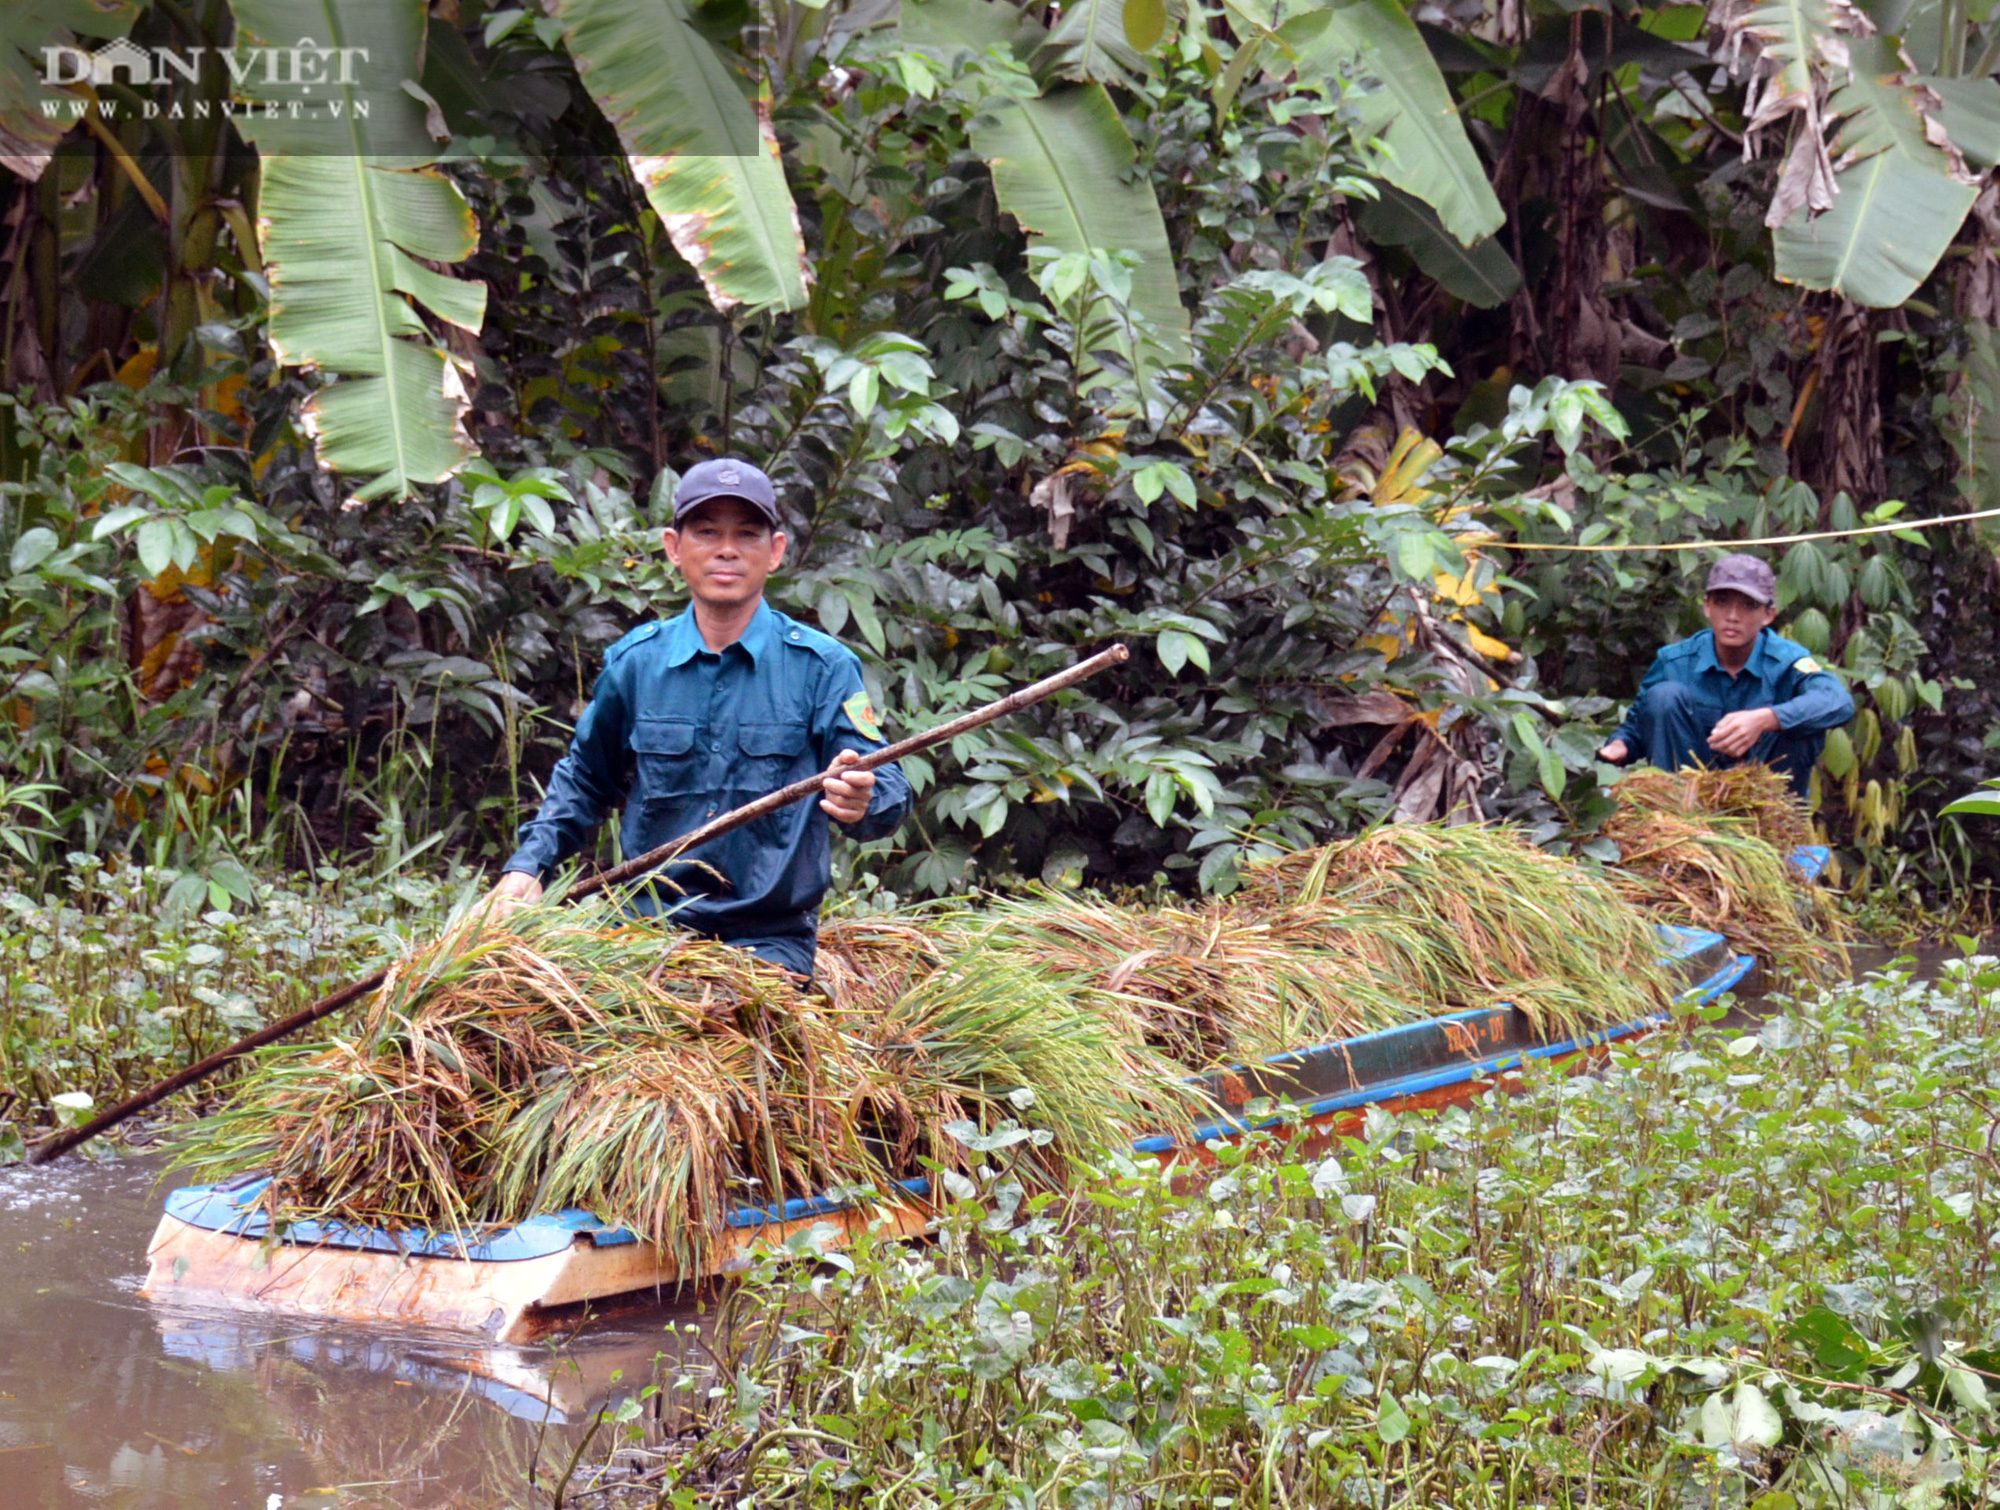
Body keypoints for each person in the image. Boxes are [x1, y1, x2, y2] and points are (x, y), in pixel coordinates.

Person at [484, 459, 912, 977]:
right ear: (673, 547)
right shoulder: (636, 664)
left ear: (775, 551)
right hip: (642, 937)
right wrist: (527, 868)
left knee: (735, 1032)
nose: (726, 550)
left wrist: (863, 797)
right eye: (707, 532)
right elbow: (584, 781)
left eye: (747, 534)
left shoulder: (822, 668)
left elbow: (884, 785)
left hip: (768, 943)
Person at [1598, 553, 1854, 796]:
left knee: (1805, 721)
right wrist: (1619, 746)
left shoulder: (1788, 661)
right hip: (1688, 795)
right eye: (1722, 603)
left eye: (1748, 606)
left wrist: (1766, 719)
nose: (1732, 617)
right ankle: (1677, 811)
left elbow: (1838, 701)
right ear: (1707, 607)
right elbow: (1638, 725)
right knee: (1663, 695)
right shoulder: (1675, 661)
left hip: (1766, 801)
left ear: (1768, 615)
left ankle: (1776, 824)